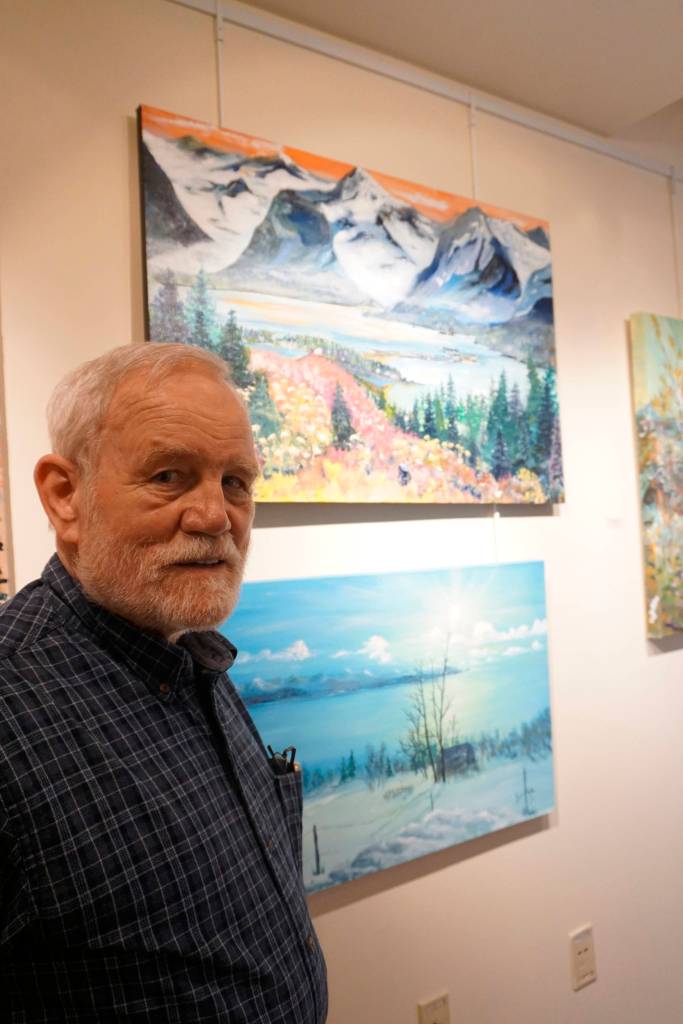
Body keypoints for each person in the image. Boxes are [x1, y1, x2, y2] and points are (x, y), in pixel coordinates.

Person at [0, 343, 328, 1023]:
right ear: (65, 496)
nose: (215, 517)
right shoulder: (11, 712)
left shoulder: (188, 651)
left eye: (235, 482)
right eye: (169, 476)